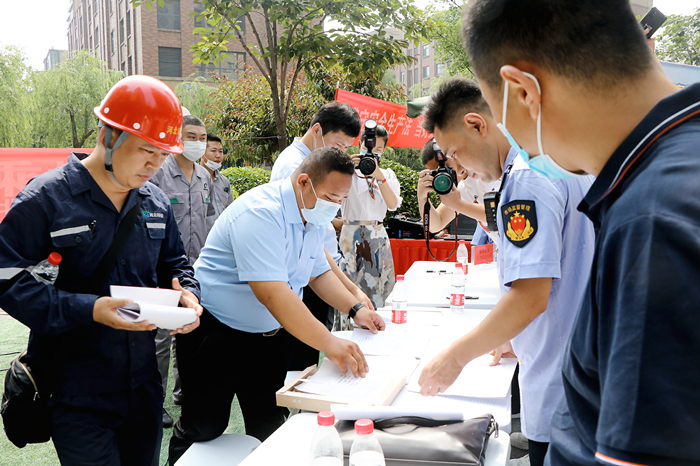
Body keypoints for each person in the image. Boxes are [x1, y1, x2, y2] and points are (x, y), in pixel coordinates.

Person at [462, 1, 700, 465]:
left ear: (522, 91)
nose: (513, 142)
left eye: (499, 116)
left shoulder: (652, 220)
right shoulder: (667, 164)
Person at [0, 75, 202, 465]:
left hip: (142, 385)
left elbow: (176, 262)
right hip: (76, 389)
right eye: (146, 150)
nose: (155, 164)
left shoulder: (155, 201)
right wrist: (89, 309)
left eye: (162, 154)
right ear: (109, 136)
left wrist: (188, 293)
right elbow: (6, 278)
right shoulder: (46, 198)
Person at [416, 77, 595, 466]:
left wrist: (454, 358)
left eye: (456, 153)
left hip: (562, 386)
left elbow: (530, 296)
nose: (460, 167)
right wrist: (510, 333)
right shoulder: (558, 156)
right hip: (584, 372)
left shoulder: (527, 178)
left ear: (478, 124)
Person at [169, 147, 386, 464]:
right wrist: (330, 344)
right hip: (216, 336)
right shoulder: (261, 212)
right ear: (303, 182)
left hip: (268, 340)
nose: (335, 207)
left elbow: (317, 273)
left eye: (341, 200)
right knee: (203, 428)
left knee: (268, 425)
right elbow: (273, 294)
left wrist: (356, 309)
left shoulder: (310, 216)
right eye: (331, 197)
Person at [270, 101, 375, 371]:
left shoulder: (312, 162)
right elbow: (312, 251)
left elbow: (316, 249)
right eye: (337, 145)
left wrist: (352, 295)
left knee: (307, 360)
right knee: (300, 364)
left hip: (317, 272)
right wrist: (351, 292)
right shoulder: (296, 168)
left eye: (345, 148)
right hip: (304, 283)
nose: (341, 152)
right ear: (317, 130)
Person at [150, 114, 214, 425]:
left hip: (196, 270)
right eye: (192, 136)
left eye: (202, 137)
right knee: (162, 338)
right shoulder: (158, 173)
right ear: (178, 138)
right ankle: (155, 400)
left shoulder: (205, 177)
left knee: (191, 333)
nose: (198, 143)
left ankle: (184, 390)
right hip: (164, 271)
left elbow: (212, 220)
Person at [339, 125, 402, 309]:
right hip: (351, 236)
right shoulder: (347, 172)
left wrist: (379, 177)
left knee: (378, 291)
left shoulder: (387, 175)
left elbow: (392, 205)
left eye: (379, 149)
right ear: (360, 145)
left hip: (377, 236)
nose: (374, 153)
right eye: (370, 148)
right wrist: (344, 168)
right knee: (349, 289)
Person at [418, 138, 500, 244]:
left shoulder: (484, 173)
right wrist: (422, 198)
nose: (441, 174)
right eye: (435, 172)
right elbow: (436, 224)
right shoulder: (462, 187)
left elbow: (499, 212)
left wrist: (458, 205)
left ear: (454, 154)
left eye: (444, 165)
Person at [200, 133, 234, 234]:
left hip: (222, 237)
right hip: (202, 239)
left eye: (221, 151)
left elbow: (230, 209)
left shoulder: (224, 182)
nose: (218, 155)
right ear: (202, 153)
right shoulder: (194, 179)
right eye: (213, 151)